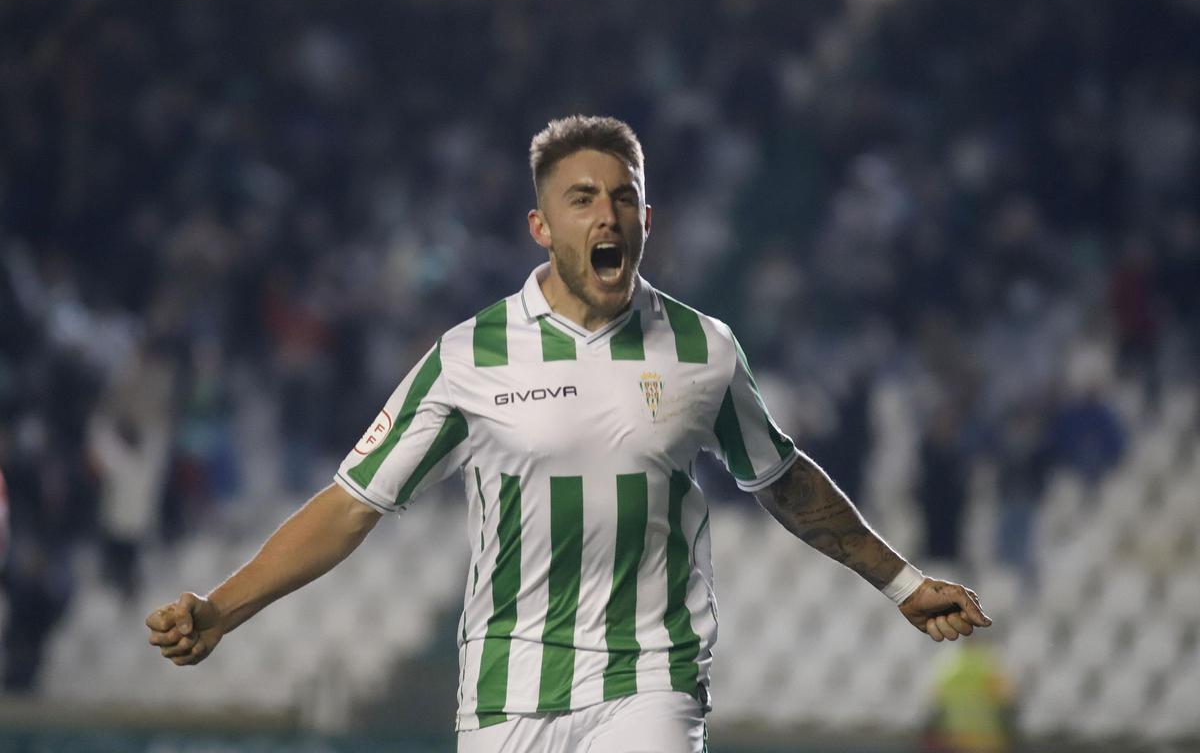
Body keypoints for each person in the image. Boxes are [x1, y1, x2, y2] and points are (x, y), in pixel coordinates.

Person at [147, 116, 991, 753]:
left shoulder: (705, 349)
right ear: (541, 227)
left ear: (648, 218)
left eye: (623, 196)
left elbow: (783, 480)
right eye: (581, 199)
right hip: (506, 691)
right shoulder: (470, 355)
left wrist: (904, 583)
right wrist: (223, 609)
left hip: (650, 677)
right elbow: (352, 504)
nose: (607, 215)